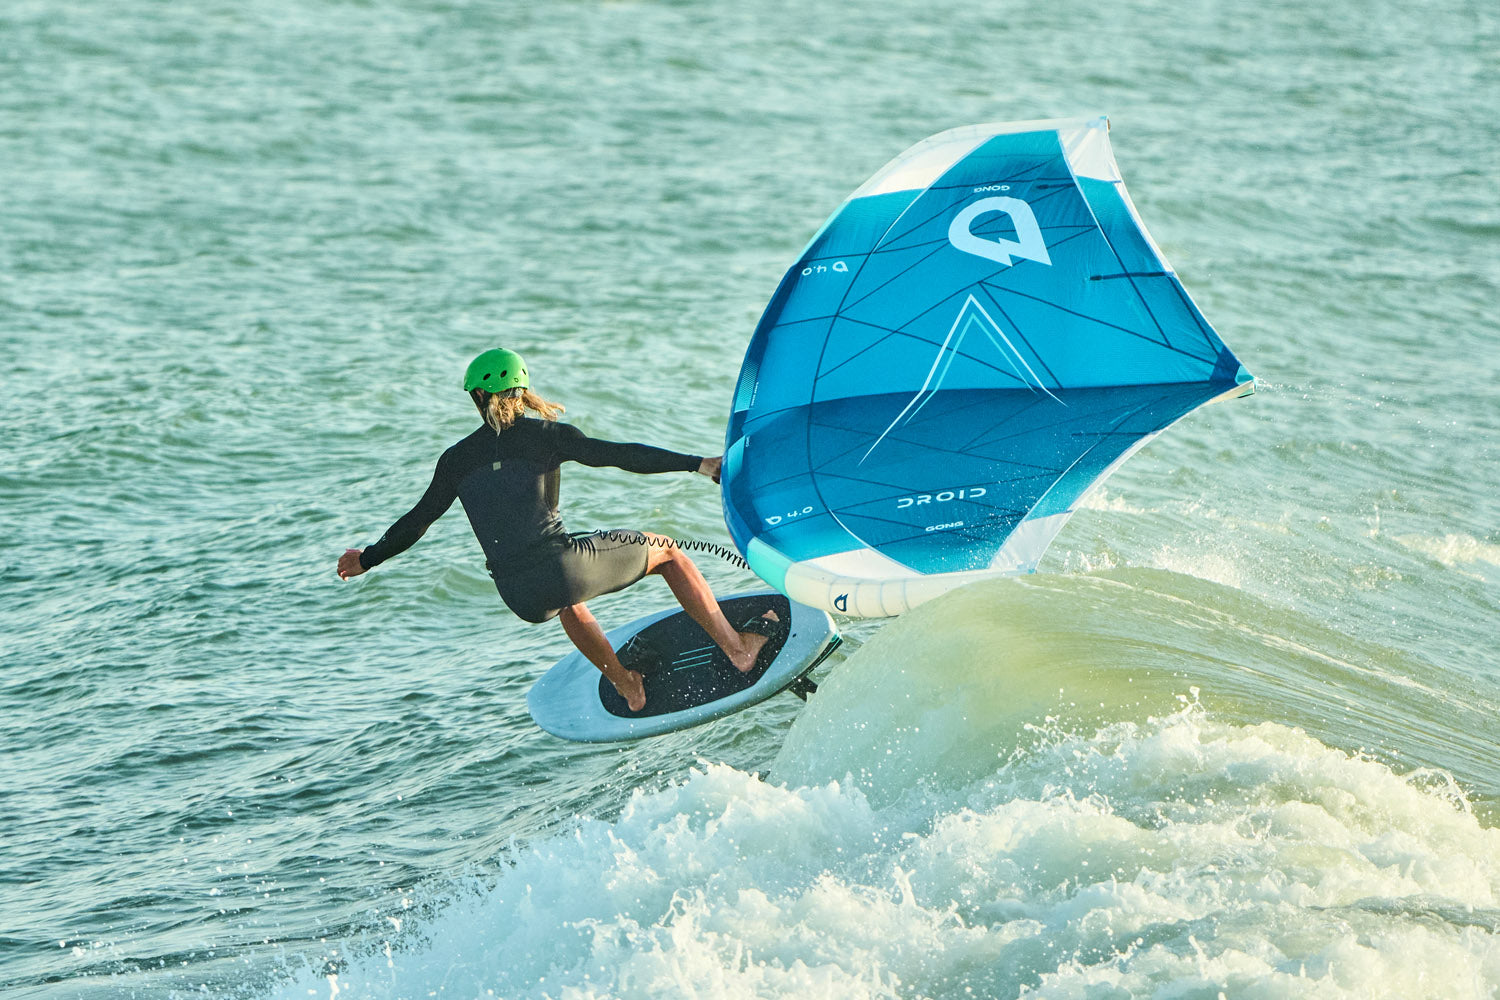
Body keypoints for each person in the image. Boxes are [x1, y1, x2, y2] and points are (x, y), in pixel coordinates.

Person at [336, 348, 779, 712]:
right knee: (666, 551)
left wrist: (366, 559)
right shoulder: (546, 436)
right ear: (521, 391)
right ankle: (738, 650)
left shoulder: (455, 459)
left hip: (518, 595)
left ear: (477, 396)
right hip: (561, 567)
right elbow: (620, 454)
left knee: (568, 599)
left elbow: (417, 521)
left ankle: (629, 686)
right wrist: (697, 464)